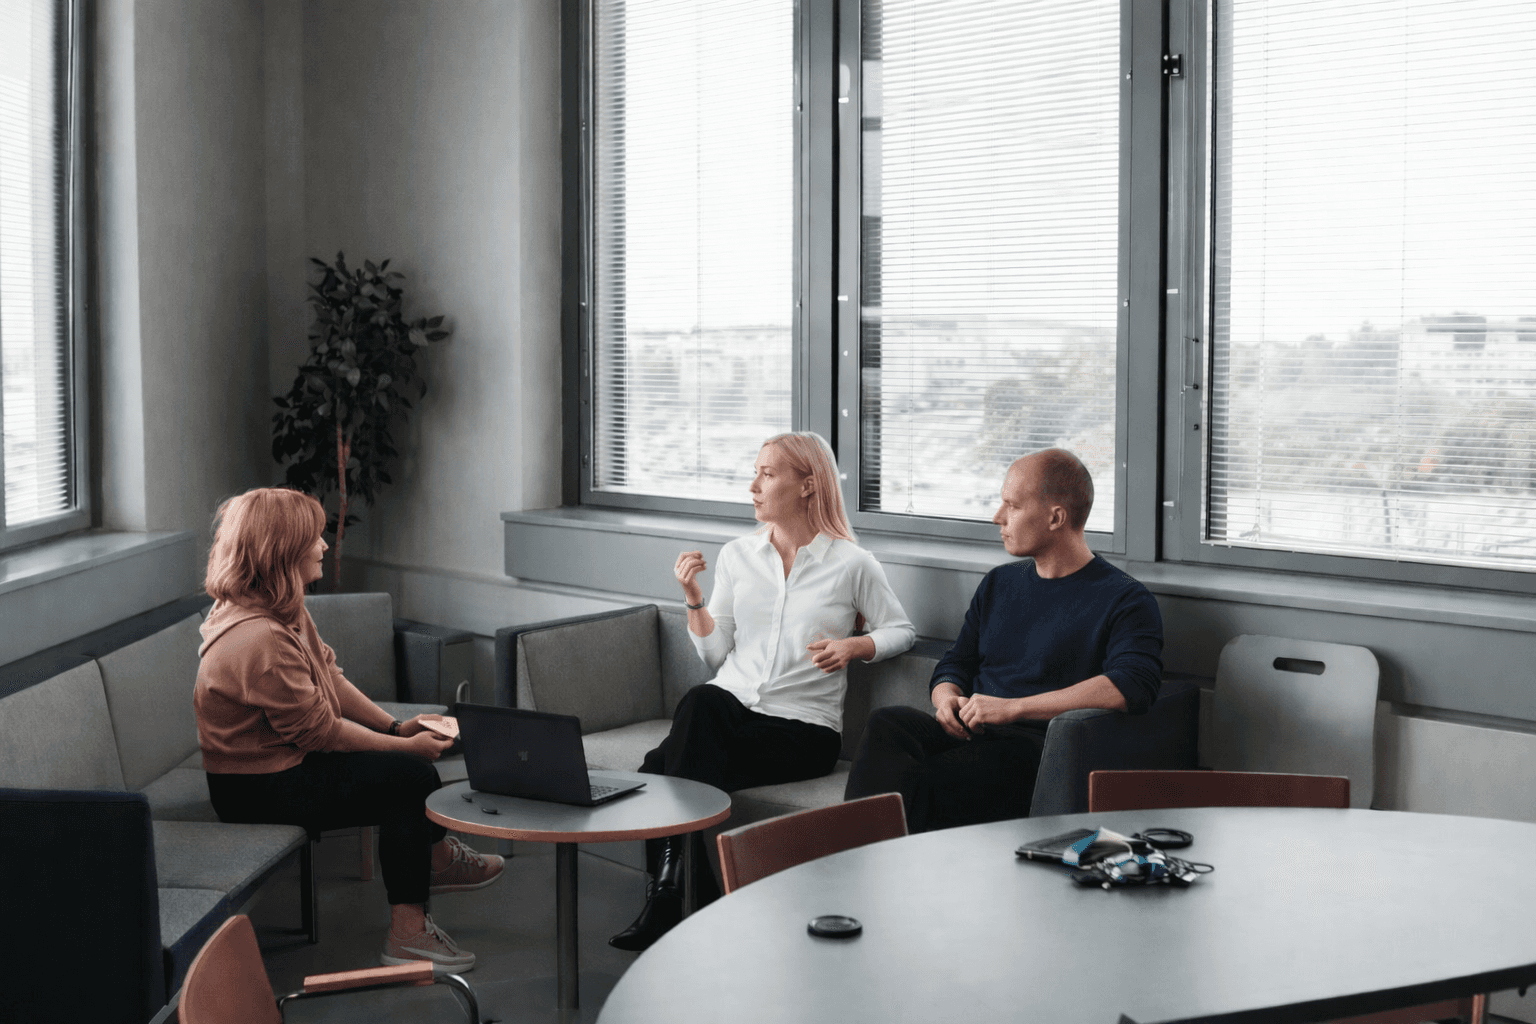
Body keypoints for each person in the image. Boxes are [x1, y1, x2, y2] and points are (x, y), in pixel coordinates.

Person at [609, 431, 916, 951]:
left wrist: (854, 647)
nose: (752, 486)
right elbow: (714, 655)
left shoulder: (851, 564)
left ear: (807, 486)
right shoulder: (737, 557)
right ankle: (683, 897)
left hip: (802, 730)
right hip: (731, 711)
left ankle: (674, 895)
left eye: (767, 474)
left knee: (660, 767)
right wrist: (692, 600)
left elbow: (901, 630)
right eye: (755, 472)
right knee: (703, 703)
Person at [194, 488, 504, 972]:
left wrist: (396, 728)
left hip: (286, 760)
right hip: (253, 786)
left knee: (407, 771)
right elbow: (321, 733)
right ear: (282, 552)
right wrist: (409, 749)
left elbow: (329, 677)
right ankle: (409, 931)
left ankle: (435, 861)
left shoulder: (282, 606)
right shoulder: (258, 637)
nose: (324, 546)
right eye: (313, 539)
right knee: (410, 778)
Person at [843, 448, 1163, 833]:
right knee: (889, 724)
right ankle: (856, 856)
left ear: (1055, 517)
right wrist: (946, 701)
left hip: (1032, 747)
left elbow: (1131, 685)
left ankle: (883, 865)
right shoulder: (1000, 583)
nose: (998, 517)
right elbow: (955, 664)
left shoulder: (1125, 598)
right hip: (970, 729)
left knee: (929, 780)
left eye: (1011, 505)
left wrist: (1012, 708)